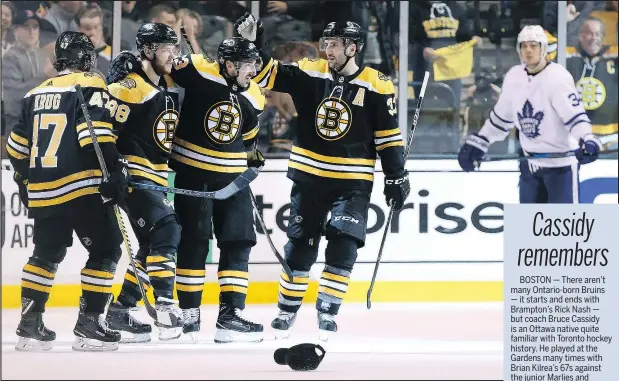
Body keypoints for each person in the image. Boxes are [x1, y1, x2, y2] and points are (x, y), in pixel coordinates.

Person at [235, 15, 411, 341]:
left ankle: (328, 310)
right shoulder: (310, 71)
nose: (327, 49)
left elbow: (388, 137)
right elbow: (266, 74)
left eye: (334, 44)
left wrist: (396, 176)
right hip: (309, 177)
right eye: (326, 43)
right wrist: (253, 45)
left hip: (353, 181)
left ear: (353, 47)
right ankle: (287, 310)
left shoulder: (377, 84)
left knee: (344, 242)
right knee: (301, 244)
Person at [5, 31, 129, 352]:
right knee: (106, 249)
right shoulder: (89, 83)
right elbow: (95, 135)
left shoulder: (32, 95)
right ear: (86, 58)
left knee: (45, 254)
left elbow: (16, 148)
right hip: (83, 187)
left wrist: (25, 182)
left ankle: (29, 325)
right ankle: (89, 325)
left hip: (45, 190)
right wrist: (114, 173)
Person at [167, 37, 266, 343]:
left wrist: (252, 154)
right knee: (194, 241)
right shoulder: (198, 69)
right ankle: (190, 314)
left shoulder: (254, 95)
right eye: (247, 64)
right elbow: (165, 67)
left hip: (233, 180)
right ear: (230, 63)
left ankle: (230, 315)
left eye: (254, 64)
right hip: (194, 176)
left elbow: (248, 136)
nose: (253, 71)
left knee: (239, 242)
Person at [457, 25, 603, 204]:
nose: (528, 50)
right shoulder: (514, 77)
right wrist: (482, 140)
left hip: (561, 166)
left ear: (543, 48)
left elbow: (575, 117)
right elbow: (501, 118)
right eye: (524, 46)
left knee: (564, 228)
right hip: (529, 164)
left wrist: (587, 138)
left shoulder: (557, 77)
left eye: (533, 45)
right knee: (528, 228)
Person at [103, 23, 183, 343]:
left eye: (174, 48)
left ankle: (121, 309)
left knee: (152, 245)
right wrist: (114, 170)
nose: (173, 55)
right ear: (148, 51)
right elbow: (101, 132)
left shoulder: (163, 89)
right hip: (134, 178)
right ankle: (165, 303)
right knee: (168, 229)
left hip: (155, 178)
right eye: (166, 48)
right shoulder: (130, 87)